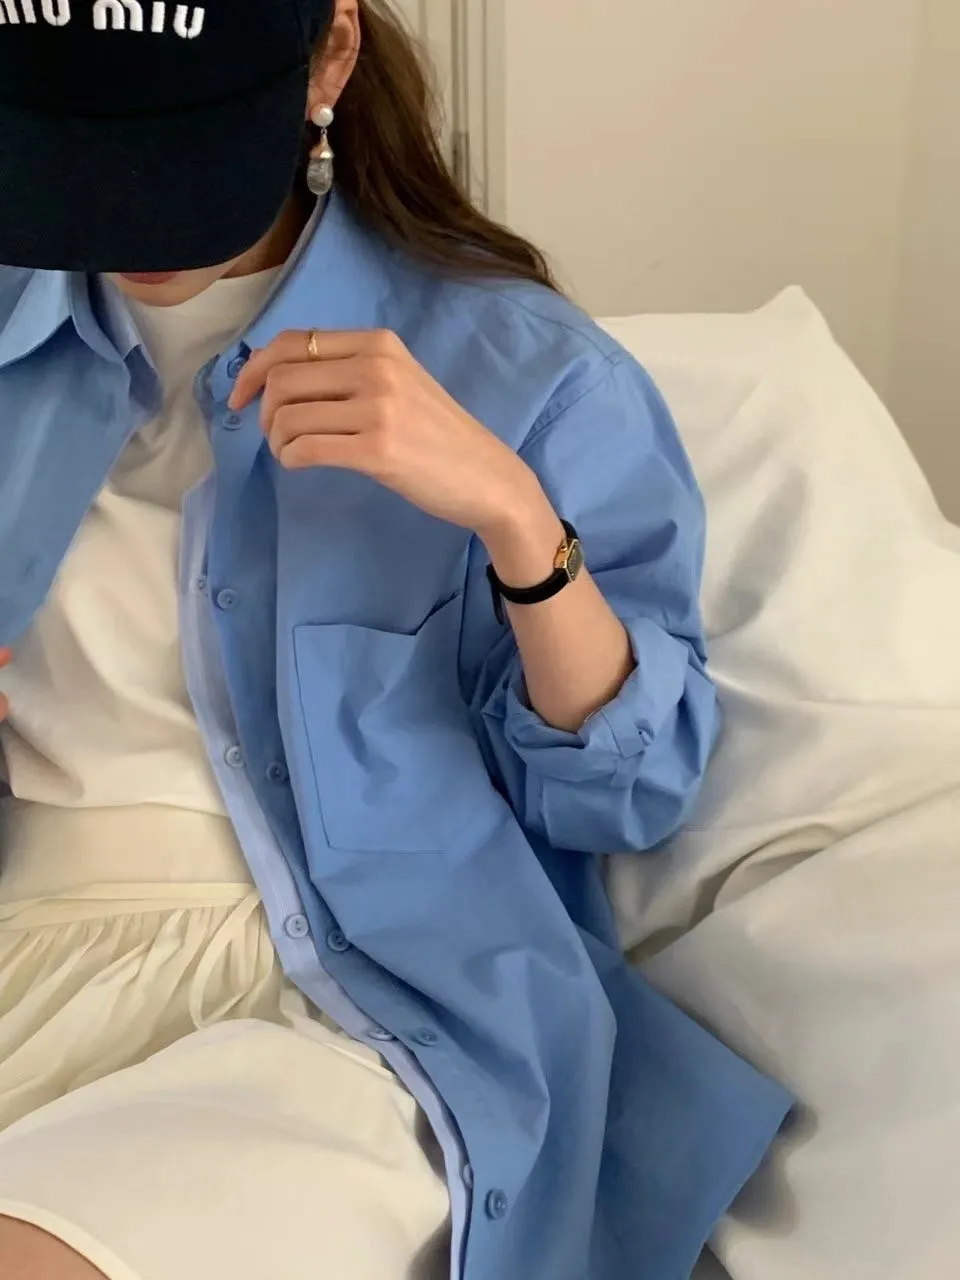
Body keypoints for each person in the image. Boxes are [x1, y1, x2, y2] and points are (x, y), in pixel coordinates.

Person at [0, 1, 792, 1277]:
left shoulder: (526, 370)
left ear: (331, 54)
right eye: (79, 147)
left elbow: (631, 793)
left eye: (174, 153)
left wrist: (514, 517)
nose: (131, 221)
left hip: (349, 1004)